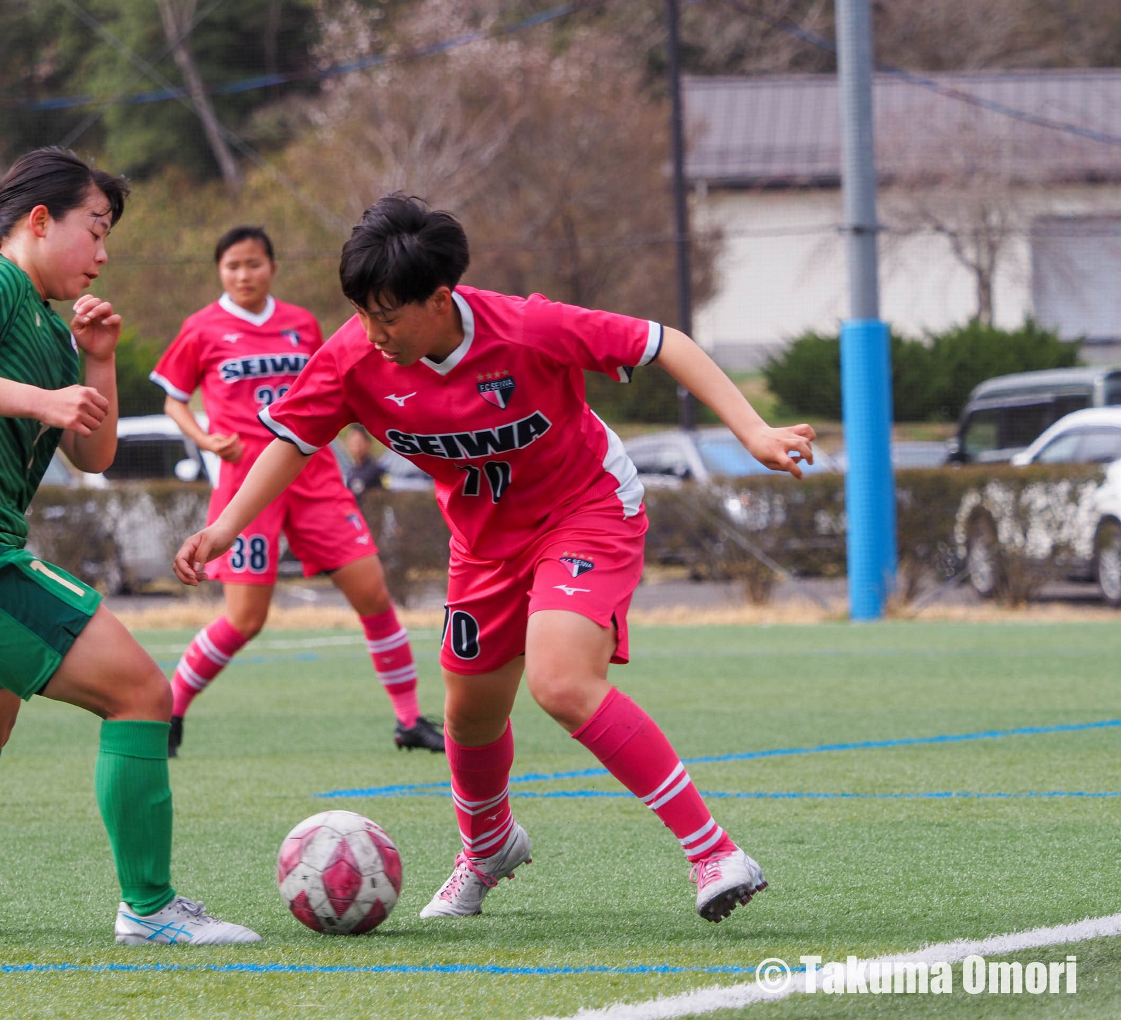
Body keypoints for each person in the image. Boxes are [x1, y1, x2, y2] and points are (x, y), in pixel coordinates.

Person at [174, 194, 817, 924]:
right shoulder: (354, 357)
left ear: (441, 300)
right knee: (470, 718)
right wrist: (226, 526)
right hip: (483, 544)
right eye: (361, 313)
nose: (372, 332)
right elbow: (292, 439)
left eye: (387, 315)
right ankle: (487, 850)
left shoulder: (528, 327)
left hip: (587, 510)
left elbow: (662, 341)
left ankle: (714, 852)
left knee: (561, 681)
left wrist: (754, 431)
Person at [0, 147, 258, 945]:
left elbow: (93, 455)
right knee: (141, 695)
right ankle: (149, 910)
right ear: (40, 221)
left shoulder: (52, 333)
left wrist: (94, 363)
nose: (104, 252)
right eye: (96, 228)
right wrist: (42, 397)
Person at [150, 225, 443, 758]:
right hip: (247, 484)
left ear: (273, 267)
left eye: (254, 263)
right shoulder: (202, 328)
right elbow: (174, 399)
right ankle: (169, 708)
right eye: (233, 265)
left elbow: (338, 384)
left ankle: (408, 720)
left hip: (314, 475)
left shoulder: (301, 324)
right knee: (245, 619)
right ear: (220, 271)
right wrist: (205, 438)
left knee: (374, 596)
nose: (244, 274)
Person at [342, 423, 388, 497]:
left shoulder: (375, 469)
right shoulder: (350, 471)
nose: (356, 446)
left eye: (359, 442)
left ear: (367, 443)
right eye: (353, 442)